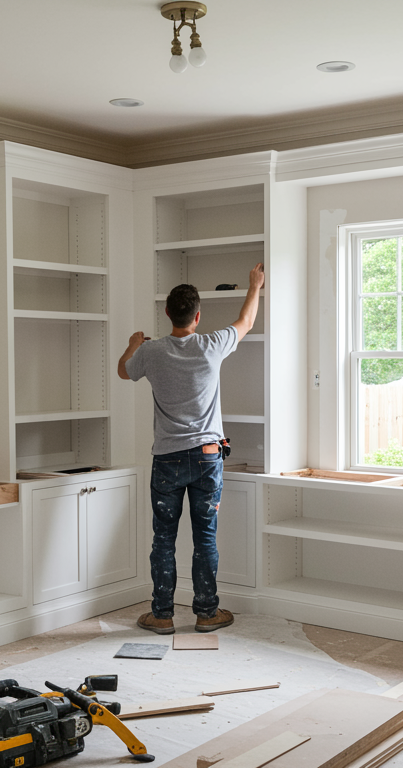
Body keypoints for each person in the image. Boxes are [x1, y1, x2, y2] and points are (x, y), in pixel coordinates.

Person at [117, 263, 265, 634]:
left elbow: (123, 371)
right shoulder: (212, 345)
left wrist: (134, 344)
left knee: (163, 540)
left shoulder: (151, 352)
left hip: (167, 459)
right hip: (207, 457)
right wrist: (254, 284)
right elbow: (246, 321)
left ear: (168, 313)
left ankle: (162, 615)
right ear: (197, 316)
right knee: (205, 538)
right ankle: (206, 613)